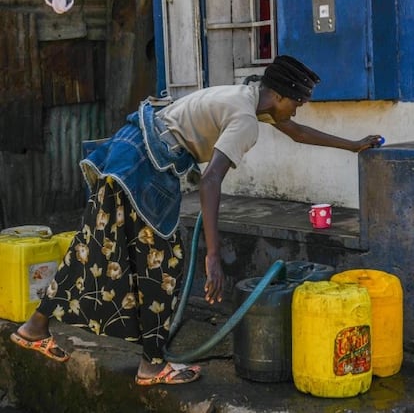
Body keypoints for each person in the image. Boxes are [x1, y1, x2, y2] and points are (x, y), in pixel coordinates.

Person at [10, 55, 382, 386]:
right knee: (163, 265)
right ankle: (152, 367)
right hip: (147, 168)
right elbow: (210, 181)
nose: (297, 111)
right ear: (282, 96)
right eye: (298, 103)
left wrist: (353, 145)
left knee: (93, 245)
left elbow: (297, 133)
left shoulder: (250, 99)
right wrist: (213, 255)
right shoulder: (245, 119)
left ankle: (34, 329)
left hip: (128, 151)